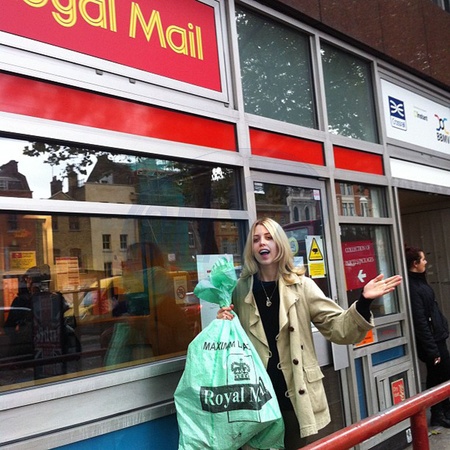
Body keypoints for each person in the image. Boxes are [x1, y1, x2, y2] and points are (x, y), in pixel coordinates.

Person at [218, 217, 402, 449]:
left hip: (294, 398)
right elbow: (230, 339)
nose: (262, 243)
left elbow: (338, 327)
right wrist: (222, 321)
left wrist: (364, 301)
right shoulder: (240, 290)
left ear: (279, 243)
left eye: (269, 237)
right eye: (256, 240)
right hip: (257, 400)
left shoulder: (302, 286)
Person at [405, 245, 450, 428]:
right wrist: (432, 350)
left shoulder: (419, 281)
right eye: (423, 259)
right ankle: (439, 413)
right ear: (415, 264)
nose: (426, 262)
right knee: (439, 376)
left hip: (437, 337)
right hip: (432, 341)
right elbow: (420, 321)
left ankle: (444, 411)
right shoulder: (413, 287)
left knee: (441, 375)